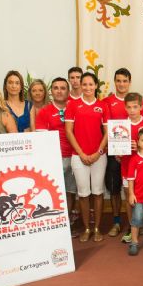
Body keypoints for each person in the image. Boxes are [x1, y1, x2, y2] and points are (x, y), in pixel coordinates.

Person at [65, 72, 108, 243]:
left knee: (97, 193)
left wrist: (98, 152)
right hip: (78, 156)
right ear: (80, 86)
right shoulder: (73, 105)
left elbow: (107, 132)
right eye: (85, 84)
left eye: (91, 84)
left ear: (96, 86)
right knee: (83, 194)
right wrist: (82, 154)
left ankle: (97, 228)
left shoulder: (102, 106)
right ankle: (87, 228)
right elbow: (69, 131)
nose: (88, 87)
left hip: (99, 156)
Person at [103, 68, 143, 238]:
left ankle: (136, 223)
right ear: (114, 82)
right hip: (115, 153)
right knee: (115, 189)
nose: (121, 84)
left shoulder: (137, 99)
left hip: (135, 154)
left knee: (135, 190)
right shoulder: (107, 101)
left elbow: (142, 129)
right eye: (118, 80)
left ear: (129, 82)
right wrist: (117, 152)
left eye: (124, 80)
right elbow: (106, 128)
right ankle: (117, 222)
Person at [35, 78, 78, 236]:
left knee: (70, 191)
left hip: (74, 156)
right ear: (51, 91)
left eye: (63, 88)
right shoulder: (45, 112)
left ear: (68, 91)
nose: (59, 91)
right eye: (56, 88)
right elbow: (41, 139)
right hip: (55, 159)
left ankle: (67, 222)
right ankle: (56, 227)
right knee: (54, 192)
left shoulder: (75, 107)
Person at [120, 93, 143, 243]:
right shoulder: (120, 125)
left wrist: (139, 147)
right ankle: (132, 225)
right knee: (131, 198)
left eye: (135, 107)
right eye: (129, 107)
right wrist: (121, 149)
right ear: (125, 107)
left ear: (141, 107)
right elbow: (115, 149)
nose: (132, 110)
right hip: (127, 167)